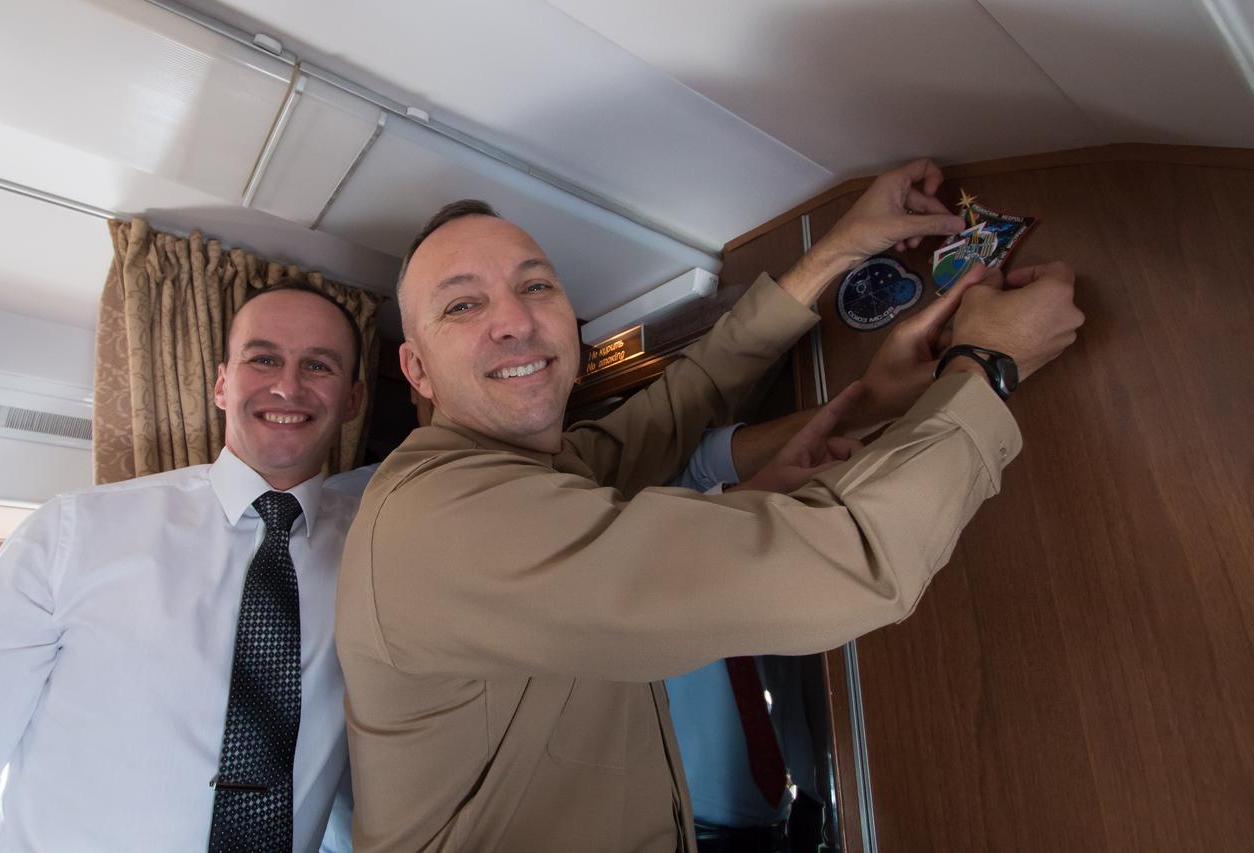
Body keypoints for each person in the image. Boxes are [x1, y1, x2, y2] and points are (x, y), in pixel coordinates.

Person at [336, 159, 1084, 851]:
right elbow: (845, 566)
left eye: (536, 286)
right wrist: (987, 367)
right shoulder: (441, 523)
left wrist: (842, 254)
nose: (516, 320)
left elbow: (677, 406)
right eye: (462, 304)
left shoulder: (519, 465)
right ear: (416, 369)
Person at [0, 281, 366, 852]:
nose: (288, 385)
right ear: (221, 384)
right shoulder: (71, 534)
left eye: (319, 366)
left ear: (353, 400)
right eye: (263, 359)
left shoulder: (378, 552)